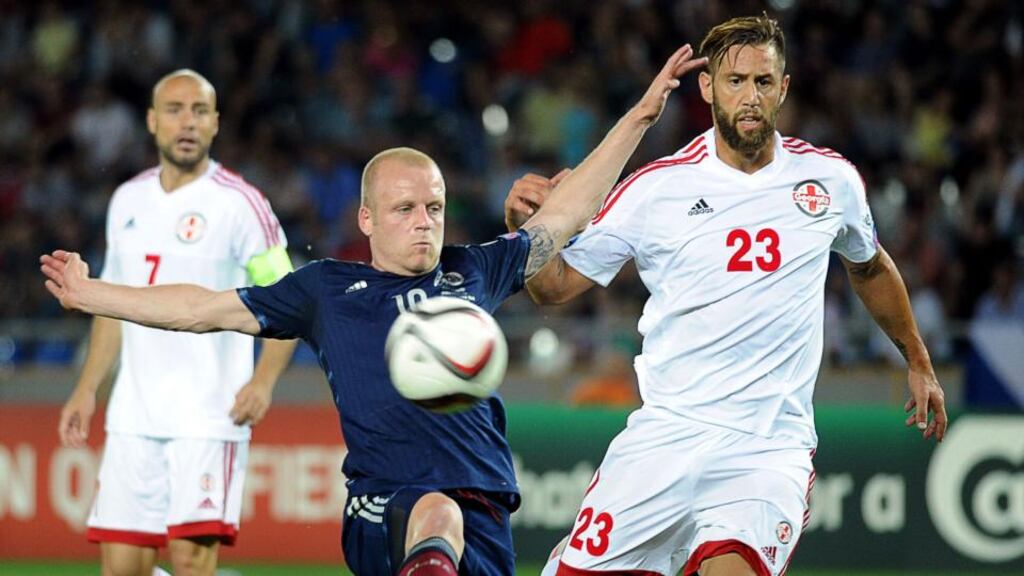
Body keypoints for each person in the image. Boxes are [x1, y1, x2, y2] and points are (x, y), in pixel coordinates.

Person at [41, 47, 708, 576]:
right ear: (366, 219)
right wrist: (92, 292)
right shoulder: (328, 289)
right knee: (435, 515)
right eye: (405, 209)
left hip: (484, 510)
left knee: (449, 518)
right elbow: (201, 307)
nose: (424, 222)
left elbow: (563, 216)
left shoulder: (472, 270)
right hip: (385, 506)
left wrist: (642, 116)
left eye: (435, 208)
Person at [505, 15, 947, 576]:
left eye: (763, 82)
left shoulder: (829, 181)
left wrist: (917, 358)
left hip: (765, 450)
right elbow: (555, 287)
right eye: (735, 80)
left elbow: (870, 266)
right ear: (708, 87)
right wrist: (530, 232)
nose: (750, 97)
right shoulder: (656, 188)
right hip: (664, 439)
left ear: (782, 89)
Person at [58, 69, 297, 576]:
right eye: (174, 109)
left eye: (199, 110)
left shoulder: (240, 204)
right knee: (122, 570)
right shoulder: (127, 200)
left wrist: (263, 380)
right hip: (133, 417)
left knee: (190, 562)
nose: (186, 121)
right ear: (151, 121)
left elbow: (288, 302)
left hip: (209, 418)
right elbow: (111, 308)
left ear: (215, 124)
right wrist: (87, 389)